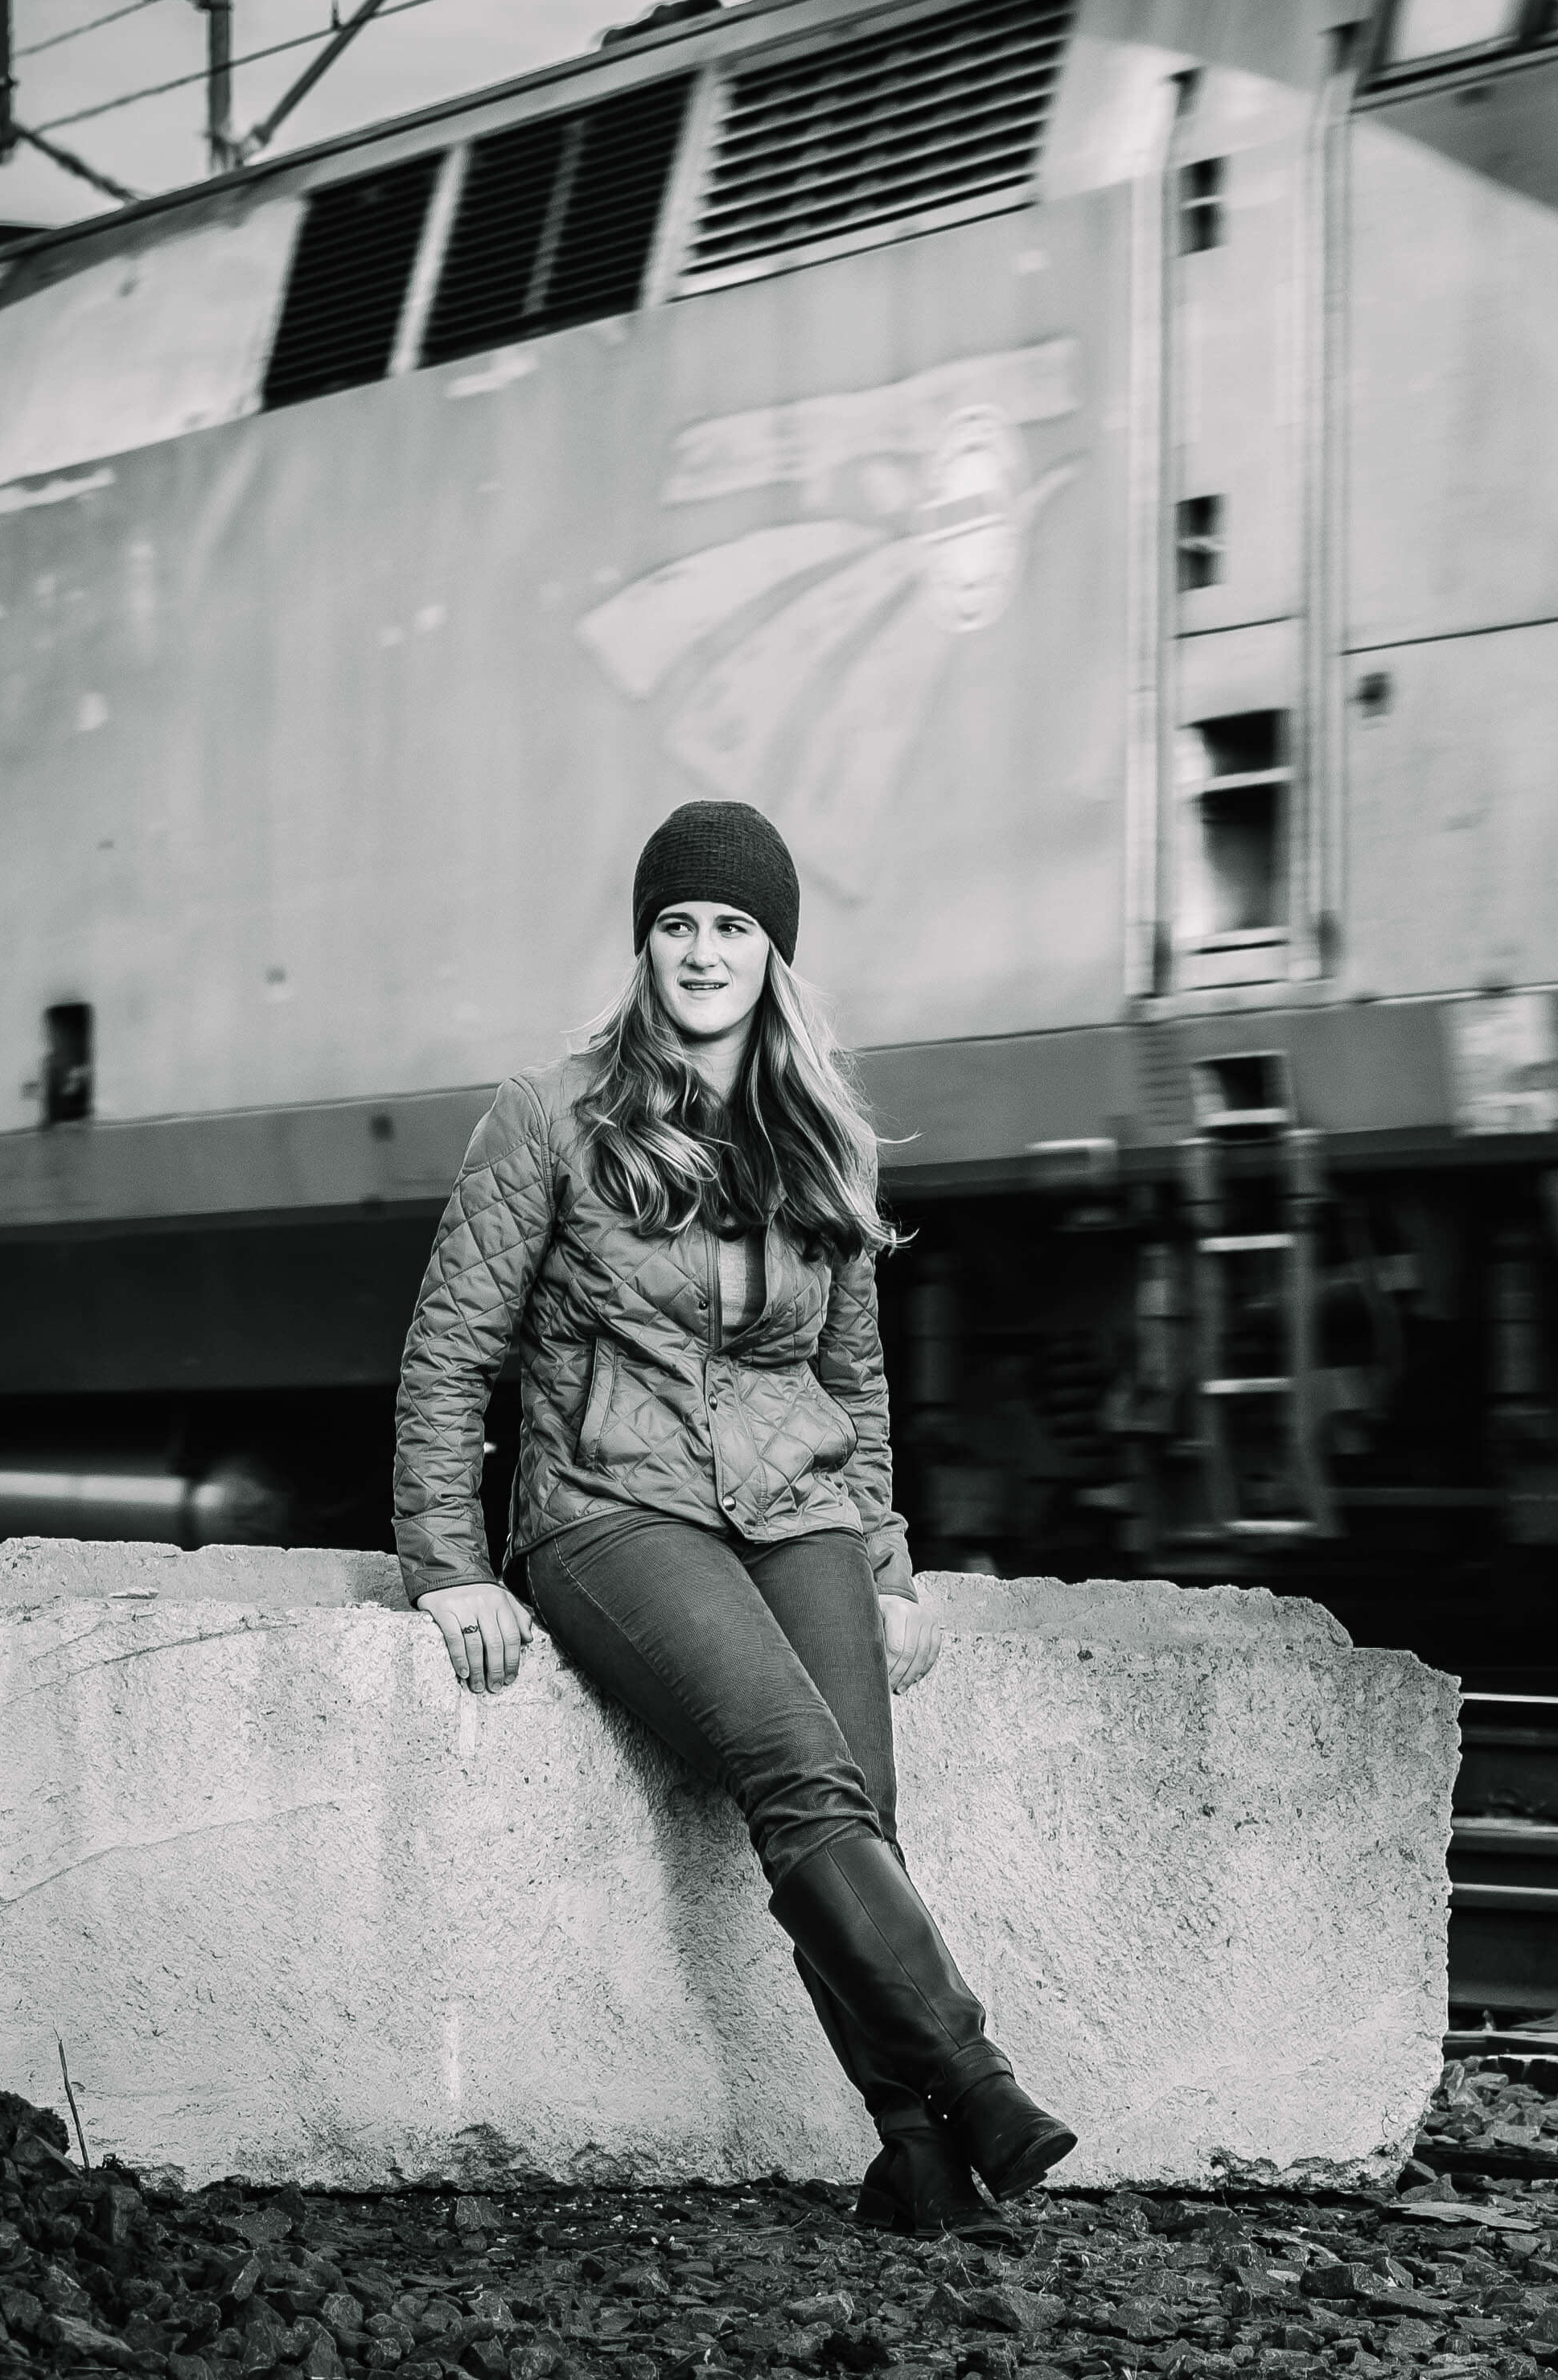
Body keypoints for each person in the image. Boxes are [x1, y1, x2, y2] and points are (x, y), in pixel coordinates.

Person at [389, 799, 1074, 2230]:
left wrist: (883, 1561)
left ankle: (922, 2161)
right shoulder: (553, 1113)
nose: (703, 950)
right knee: (797, 1777)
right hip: (608, 1509)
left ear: (775, 956)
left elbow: (853, 1375)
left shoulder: (822, 1133)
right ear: (646, 949)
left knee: (859, 1809)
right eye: (678, 924)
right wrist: (449, 1562)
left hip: (794, 1500)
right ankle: (975, 2073)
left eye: (733, 926)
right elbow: (453, 1350)